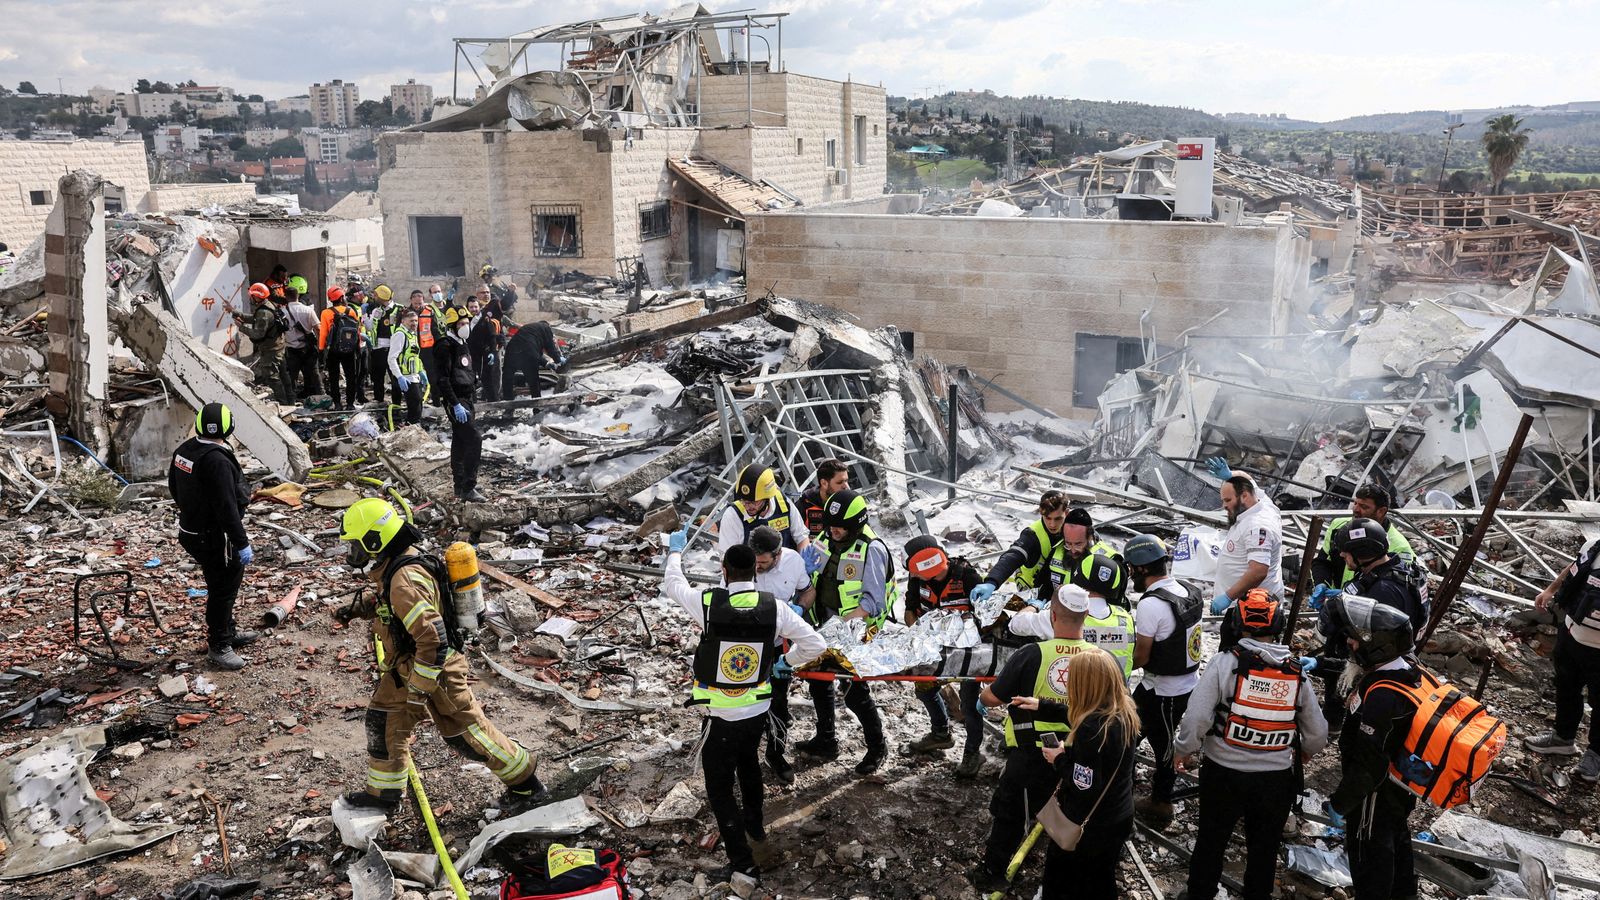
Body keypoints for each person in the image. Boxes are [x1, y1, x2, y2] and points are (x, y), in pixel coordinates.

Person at [333, 499, 549, 816]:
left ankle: (527, 785)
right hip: (408, 667)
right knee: (384, 721)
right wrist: (358, 608)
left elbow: (433, 639)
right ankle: (383, 794)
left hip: (435, 671)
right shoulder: (398, 563)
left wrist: (420, 689)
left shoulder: (403, 580)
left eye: (356, 545)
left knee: (467, 734)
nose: (354, 553)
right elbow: (391, 605)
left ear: (374, 540)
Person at [661, 533, 825, 881]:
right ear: (755, 570)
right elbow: (815, 642)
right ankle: (755, 828)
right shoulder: (775, 607)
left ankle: (742, 862)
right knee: (749, 764)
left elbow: (673, 583)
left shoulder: (706, 603)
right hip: (757, 710)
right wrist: (786, 661)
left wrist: (675, 552)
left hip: (720, 716)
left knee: (719, 790)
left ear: (724, 571)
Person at [1173, 590, 1329, 900]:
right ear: (1279, 625)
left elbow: (1196, 719)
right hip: (1274, 780)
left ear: (1236, 623)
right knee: (1264, 850)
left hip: (1223, 774)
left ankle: (1199, 895)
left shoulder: (1223, 663)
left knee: (1211, 842)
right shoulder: (1296, 672)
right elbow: (1318, 733)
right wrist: (1305, 751)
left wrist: (1183, 749)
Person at [969, 583, 1096, 892]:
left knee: (1010, 814)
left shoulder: (1032, 653)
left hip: (1031, 754)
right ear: (1086, 616)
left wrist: (982, 697)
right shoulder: (1098, 659)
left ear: (1052, 616)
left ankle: (993, 873)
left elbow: (991, 698)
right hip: (1079, 754)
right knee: (1074, 816)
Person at [1319, 594, 1422, 900]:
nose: (1351, 644)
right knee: (1398, 843)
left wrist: (1341, 804)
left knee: (1371, 862)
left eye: (1356, 640)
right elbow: (1355, 667)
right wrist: (1321, 664)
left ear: (1379, 645)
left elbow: (1368, 765)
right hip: (1398, 787)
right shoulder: (1406, 667)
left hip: (1374, 796)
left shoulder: (1382, 699)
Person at [795, 489, 894, 775]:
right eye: (830, 525)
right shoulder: (826, 538)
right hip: (823, 624)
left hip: (854, 631)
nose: (834, 531)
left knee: (855, 692)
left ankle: (877, 747)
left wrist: (840, 627)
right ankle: (826, 741)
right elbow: (810, 573)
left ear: (856, 524)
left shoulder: (871, 549)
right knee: (818, 682)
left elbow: (873, 604)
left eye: (840, 527)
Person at [1031, 647, 1137, 900]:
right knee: (1101, 880)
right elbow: (1080, 715)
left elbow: (1084, 784)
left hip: (1090, 827)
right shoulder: (1124, 710)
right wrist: (1042, 706)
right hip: (1119, 814)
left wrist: (1058, 759)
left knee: (1061, 881)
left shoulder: (1092, 729)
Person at [1315, 517, 1429, 734]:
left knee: (1365, 726)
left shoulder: (1383, 590)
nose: (1341, 555)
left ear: (1362, 552)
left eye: (1346, 551)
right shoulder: (1395, 571)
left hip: (1380, 672)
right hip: (1397, 660)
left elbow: (1372, 646)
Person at [168, 403, 257, 670]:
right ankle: (219, 644)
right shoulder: (217, 460)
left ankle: (227, 631)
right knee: (223, 588)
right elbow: (226, 508)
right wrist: (241, 543)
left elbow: (173, 486)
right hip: (214, 536)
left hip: (191, 530)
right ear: (229, 427)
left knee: (218, 582)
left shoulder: (185, 450)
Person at [1124, 534, 1203, 823]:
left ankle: (1161, 802)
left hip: (1165, 691)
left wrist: (1116, 665)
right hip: (1176, 684)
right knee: (1130, 732)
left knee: (1163, 745)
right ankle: (1126, 785)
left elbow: (1142, 656)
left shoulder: (1151, 604)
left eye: (1132, 569)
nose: (1130, 575)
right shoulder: (1188, 590)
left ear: (1142, 569)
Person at [902, 535, 987, 776]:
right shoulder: (916, 581)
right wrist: (920, 634)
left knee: (970, 704)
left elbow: (985, 616)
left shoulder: (967, 577)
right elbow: (910, 611)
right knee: (924, 689)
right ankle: (940, 733)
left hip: (969, 652)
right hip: (935, 648)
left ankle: (972, 753)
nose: (914, 575)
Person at [1525, 535, 1600, 781]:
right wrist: (1550, 590)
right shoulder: (1594, 545)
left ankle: (1595, 755)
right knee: (1566, 687)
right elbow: (1575, 567)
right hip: (1571, 634)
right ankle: (1563, 737)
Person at [748, 526, 815, 786]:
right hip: (748, 645)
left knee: (778, 703)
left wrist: (799, 609)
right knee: (747, 704)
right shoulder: (740, 561)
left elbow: (808, 591)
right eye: (755, 562)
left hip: (778, 646)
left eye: (763, 562)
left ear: (777, 555)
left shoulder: (793, 562)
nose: (758, 567)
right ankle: (745, 756)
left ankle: (775, 755)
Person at [971, 491, 1071, 604]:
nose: (1052, 524)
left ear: (1066, 513)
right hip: (1032, 595)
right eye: (1047, 518)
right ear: (1040, 512)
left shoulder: (1074, 529)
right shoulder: (1032, 535)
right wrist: (992, 581)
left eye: (1057, 519)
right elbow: (1013, 556)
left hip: (1063, 593)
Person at [1313, 483, 1416, 590]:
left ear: (1381, 511)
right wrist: (1321, 584)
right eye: (1355, 503)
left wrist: (1350, 596)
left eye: (1364, 506)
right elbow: (1322, 562)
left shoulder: (1399, 547)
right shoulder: (1338, 527)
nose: (1355, 509)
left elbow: (1399, 589)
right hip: (1334, 602)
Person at [1054, 552, 1137, 681]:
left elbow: (1018, 625)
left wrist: (1035, 606)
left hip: (1080, 697)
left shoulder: (1070, 614)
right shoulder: (1126, 618)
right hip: (1120, 697)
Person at [1209, 474, 1284, 617]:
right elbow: (1250, 483)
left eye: (1228, 500)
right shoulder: (1263, 504)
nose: (1224, 506)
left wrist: (1228, 596)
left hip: (1252, 610)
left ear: (1244, 496)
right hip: (1243, 604)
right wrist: (1231, 475)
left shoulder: (1257, 527)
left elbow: (1258, 571)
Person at [432, 305, 485, 502]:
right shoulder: (445, 345)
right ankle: (469, 487)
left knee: (460, 440)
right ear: (452, 325)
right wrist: (454, 404)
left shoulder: (462, 341)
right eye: (461, 323)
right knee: (474, 439)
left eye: (467, 323)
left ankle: (459, 486)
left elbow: (464, 369)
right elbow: (443, 379)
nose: (465, 326)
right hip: (456, 400)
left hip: (467, 397)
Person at [718, 465, 811, 555]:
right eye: (744, 501)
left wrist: (803, 563)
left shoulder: (783, 504)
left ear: (767, 498)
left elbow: (801, 537)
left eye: (753, 502)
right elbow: (728, 559)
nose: (747, 506)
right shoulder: (733, 516)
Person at [233, 282, 292, 405]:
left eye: (252, 295)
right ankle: (290, 399)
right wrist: (235, 313)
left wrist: (241, 327)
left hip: (271, 351)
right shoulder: (267, 305)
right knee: (283, 375)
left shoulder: (264, 312)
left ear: (257, 296)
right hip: (278, 347)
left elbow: (257, 334)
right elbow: (255, 319)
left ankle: (283, 403)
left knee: (272, 377)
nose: (251, 298)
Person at [319, 287, 364, 410]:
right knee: (351, 377)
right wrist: (358, 348)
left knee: (334, 377)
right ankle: (350, 404)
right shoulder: (351, 311)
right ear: (342, 297)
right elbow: (357, 331)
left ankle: (337, 403)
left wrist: (322, 350)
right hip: (349, 349)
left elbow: (323, 333)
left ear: (330, 299)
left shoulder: (326, 313)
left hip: (333, 350)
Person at [502, 319, 564, 400]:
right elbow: (550, 347)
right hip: (528, 353)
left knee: (508, 377)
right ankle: (536, 406)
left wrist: (546, 363)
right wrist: (558, 360)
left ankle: (507, 404)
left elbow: (535, 350)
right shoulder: (546, 328)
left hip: (511, 350)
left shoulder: (529, 327)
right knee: (533, 381)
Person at [281, 282, 321, 400]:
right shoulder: (308, 310)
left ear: (286, 297)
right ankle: (323, 398)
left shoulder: (282, 312)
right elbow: (318, 328)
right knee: (314, 374)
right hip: (308, 348)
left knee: (292, 376)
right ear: (298, 296)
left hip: (292, 349)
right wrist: (320, 345)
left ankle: (291, 400)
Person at [387, 307, 426, 426]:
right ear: (403, 321)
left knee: (418, 403)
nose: (414, 323)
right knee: (415, 404)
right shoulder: (400, 335)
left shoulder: (412, 335)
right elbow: (391, 358)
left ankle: (413, 427)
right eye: (411, 321)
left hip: (414, 376)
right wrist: (399, 377)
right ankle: (412, 428)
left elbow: (414, 356)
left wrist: (420, 371)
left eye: (416, 320)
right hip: (405, 377)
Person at [363, 285, 399, 406]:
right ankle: (379, 401)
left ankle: (396, 403)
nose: (374, 297)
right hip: (378, 348)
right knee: (378, 377)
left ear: (383, 295)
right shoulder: (376, 310)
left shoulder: (399, 309)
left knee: (395, 377)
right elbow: (370, 328)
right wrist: (364, 316)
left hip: (394, 348)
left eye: (376, 295)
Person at [797, 458, 849, 539]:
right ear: (824, 483)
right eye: (840, 482)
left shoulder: (851, 503)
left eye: (846, 481)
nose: (846, 486)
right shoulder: (804, 504)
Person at [466, 292, 503, 402]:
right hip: (470, 354)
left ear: (479, 307)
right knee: (471, 378)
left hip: (485, 354)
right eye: (471, 307)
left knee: (488, 379)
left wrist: (492, 351)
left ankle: (493, 401)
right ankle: (472, 401)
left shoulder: (485, 319)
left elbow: (492, 336)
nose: (474, 309)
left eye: (475, 307)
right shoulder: (464, 320)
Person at [417, 287, 443, 401]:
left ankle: (436, 399)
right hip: (414, 349)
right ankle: (420, 399)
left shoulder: (429, 311)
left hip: (429, 349)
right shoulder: (408, 313)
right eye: (415, 300)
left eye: (420, 300)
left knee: (433, 375)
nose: (418, 303)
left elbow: (436, 330)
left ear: (424, 299)